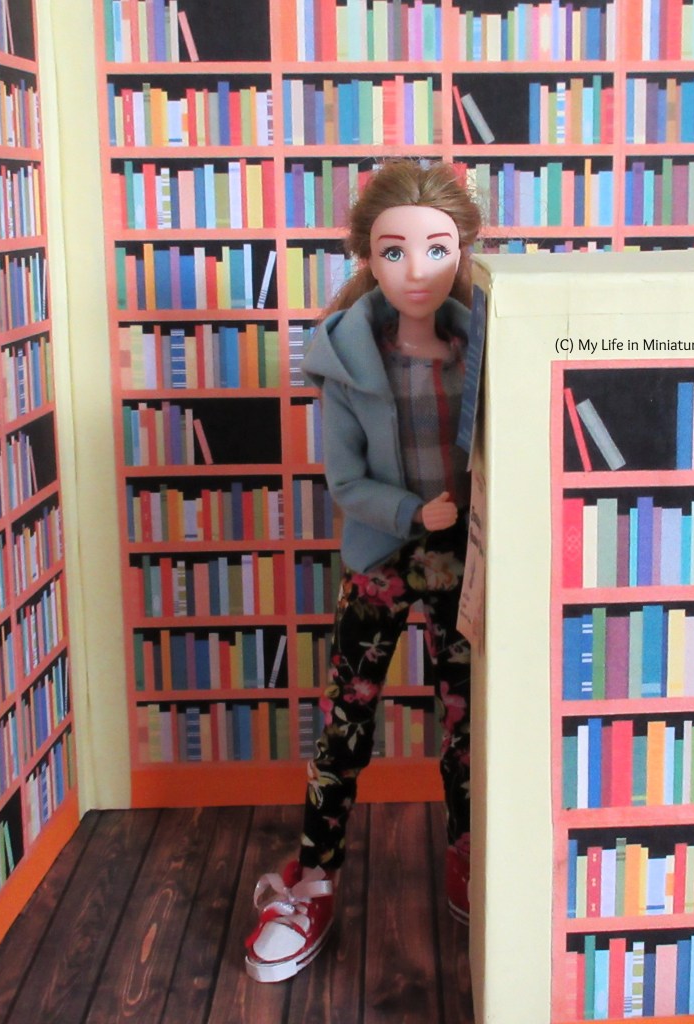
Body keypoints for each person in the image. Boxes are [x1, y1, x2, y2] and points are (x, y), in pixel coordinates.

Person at [245, 159, 482, 983]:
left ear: (465, 249)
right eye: (393, 251)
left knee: (468, 723)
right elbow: (343, 482)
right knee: (346, 721)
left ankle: (468, 853)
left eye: (436, 248)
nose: (416, 270)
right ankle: (312, 878)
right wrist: (413, 513)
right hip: (382, 557)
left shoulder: (490, 335)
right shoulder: (343, 354)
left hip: (466, 562)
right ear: (364, 256)